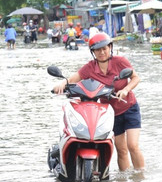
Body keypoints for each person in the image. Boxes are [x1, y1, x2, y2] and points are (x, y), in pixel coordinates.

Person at [53, 32, 145, 171]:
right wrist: (62, 84)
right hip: (110, 113)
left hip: (129, 107)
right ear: (93, 52)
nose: (102, 52)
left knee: (132, 145)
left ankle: (140, 179)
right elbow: (73, 79)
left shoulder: (120, 61)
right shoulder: (90, 67)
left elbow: (135, 78)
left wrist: (126, 90)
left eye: (104, 48)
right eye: (98, 50)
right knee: (121, 150)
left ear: (110, 48)